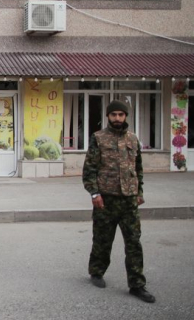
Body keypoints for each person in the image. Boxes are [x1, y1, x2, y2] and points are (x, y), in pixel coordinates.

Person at [82, 99, 156, 303]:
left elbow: (138, 167)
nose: (117, 118)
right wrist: (94, 194)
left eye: (120, 115)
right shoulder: (98, 138)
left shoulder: (133, 138)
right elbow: (89, 170)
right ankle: (96, 272)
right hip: (105, 199)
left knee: (134, 242)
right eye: (113, 114)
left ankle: (137, 285)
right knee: (102, 240)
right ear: (108, 116)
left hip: (129, 200)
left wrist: (139, 191)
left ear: (126, 116)